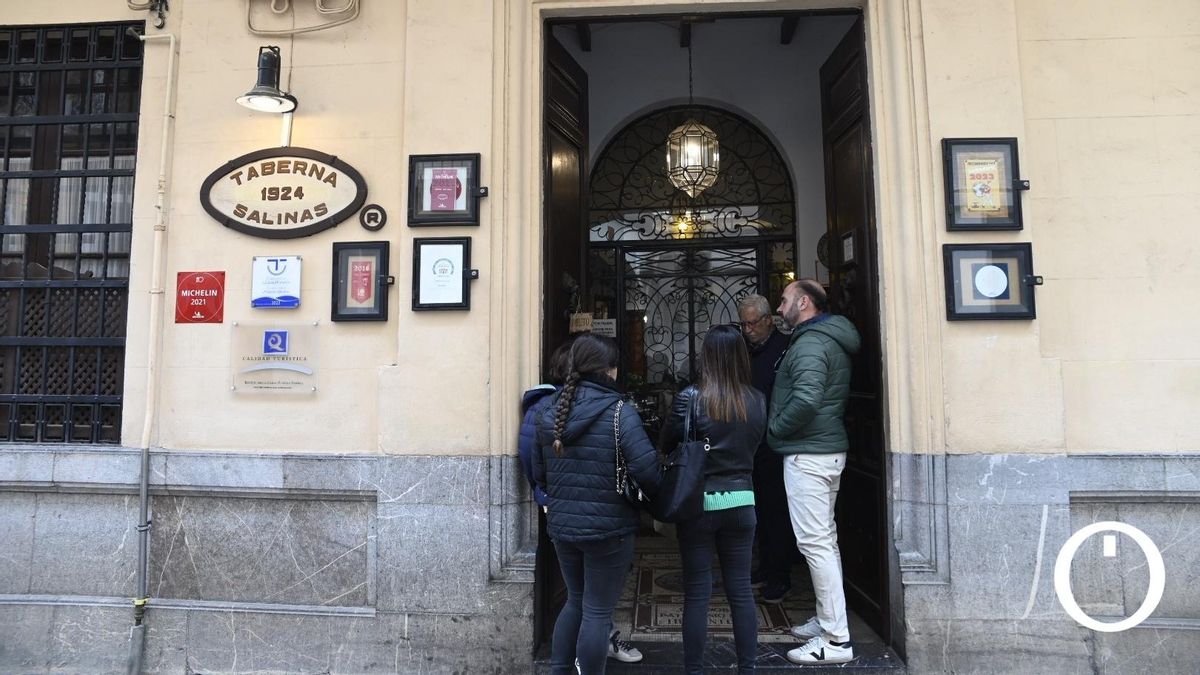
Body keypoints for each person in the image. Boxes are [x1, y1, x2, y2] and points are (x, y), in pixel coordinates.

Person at [533, 333, 662, 674]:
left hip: (563, 526)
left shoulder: (549, 410)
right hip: (610, 528)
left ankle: (559, 670)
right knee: (596, 611)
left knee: (575, 601)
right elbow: (648, 473)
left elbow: (539, 472)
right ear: (610, 370)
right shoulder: (620, 412)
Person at [659, 325, 767, 675]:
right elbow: (756, 445)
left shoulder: (690, 397)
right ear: (741, 357)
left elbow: (666, 442)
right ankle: (747, 669)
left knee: (697, 593)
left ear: (706, 357)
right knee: (741, 592)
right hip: (743, 502)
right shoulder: (757, 399)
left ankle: (694, 670)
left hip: (699, 504)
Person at [769, 279, 861, 666]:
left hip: (809, 453)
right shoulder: (826, 337)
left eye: (784, 300)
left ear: (804, 302)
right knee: (825, 541)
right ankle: (828, 620)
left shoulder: (810, 343)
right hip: (824, 450)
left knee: (815, 544)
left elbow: (806, 399)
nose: (779, 308)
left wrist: (775, 429)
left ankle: (836, 640)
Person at [737, 293, 793, 604]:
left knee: (776, 511)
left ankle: (779, 576)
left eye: (752, 323)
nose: (747, 330)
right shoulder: (744, 350)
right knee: (756, 510)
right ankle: (764, 567)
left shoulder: (785, 348)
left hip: (774, 442)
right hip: (749, 441)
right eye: (743, 324)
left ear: (768, 320)